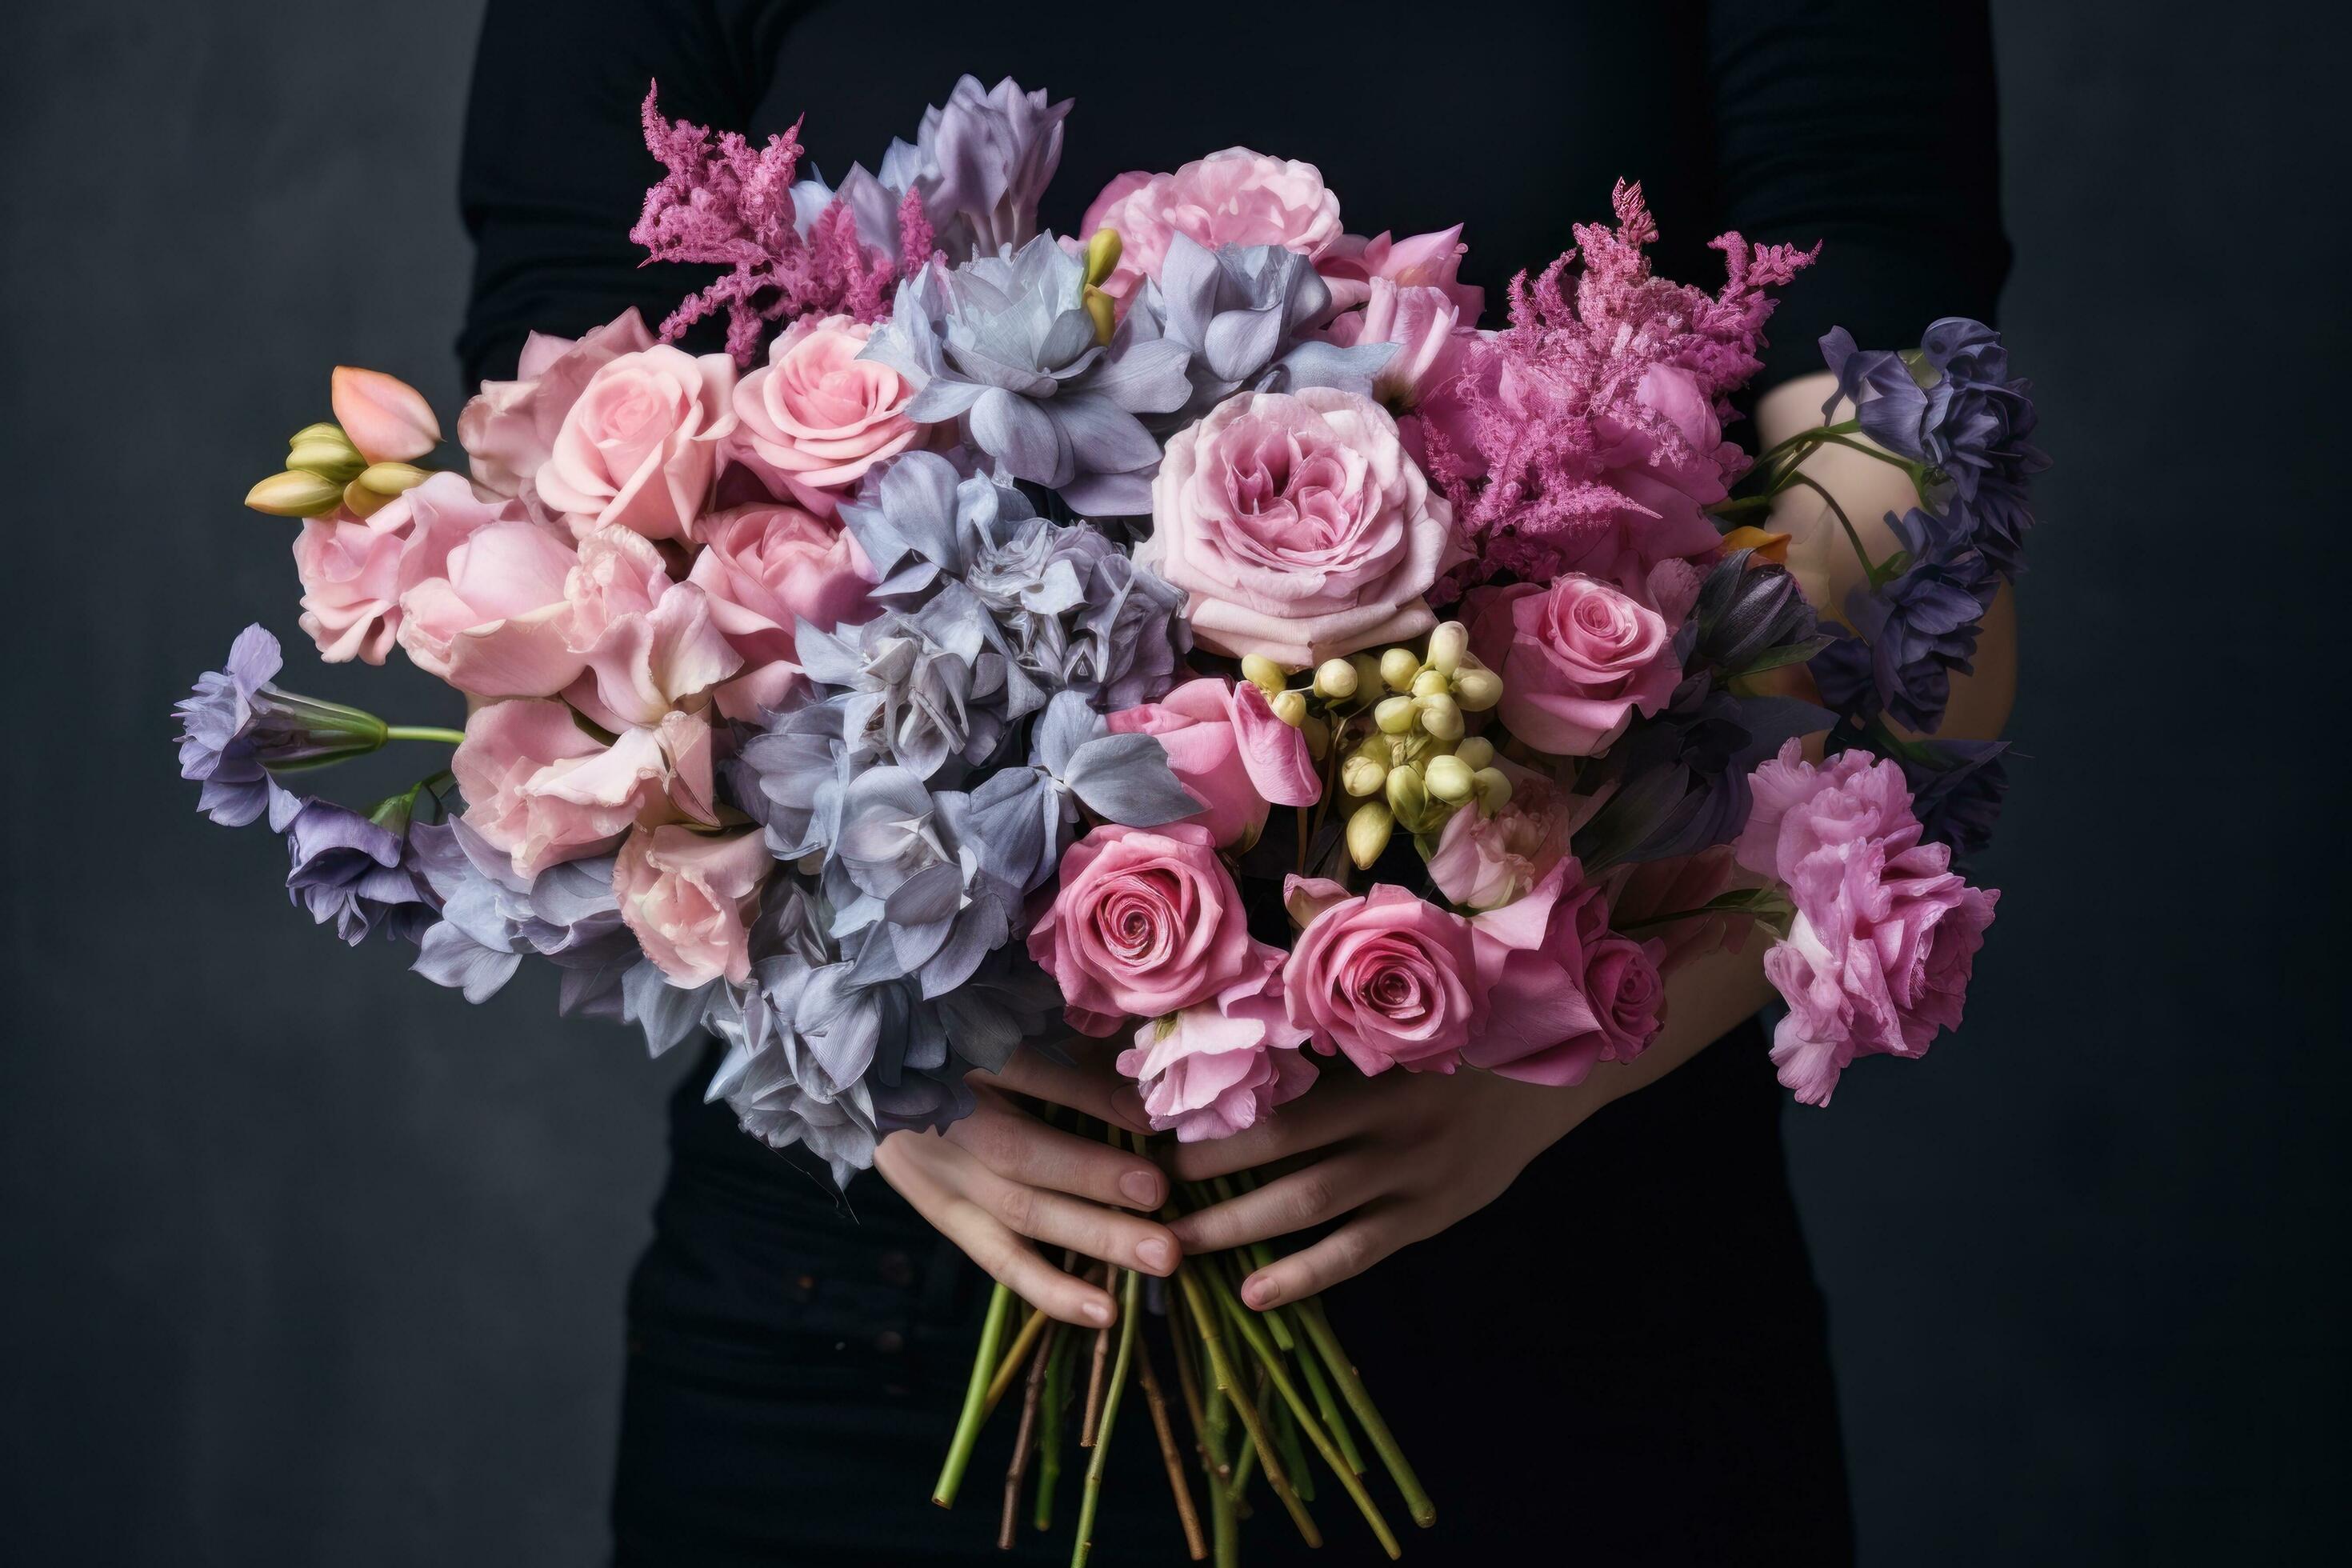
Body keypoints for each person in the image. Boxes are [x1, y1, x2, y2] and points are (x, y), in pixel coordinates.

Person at [458, 3, 2014, 1561]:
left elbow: (1921, 580)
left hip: (1563, 1289)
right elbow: (556, 557)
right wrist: (858, 1062)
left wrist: (1551, 1054)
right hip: (870, 1320)